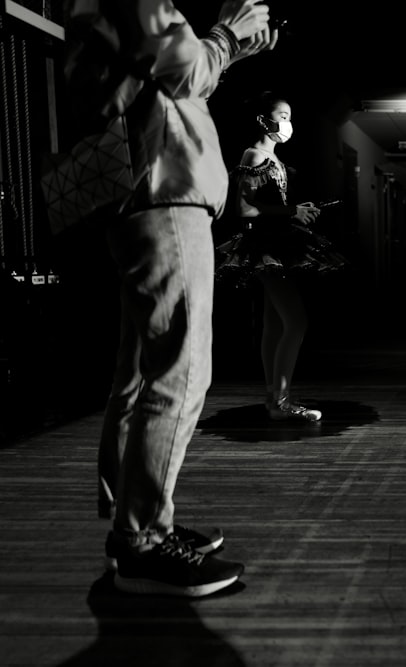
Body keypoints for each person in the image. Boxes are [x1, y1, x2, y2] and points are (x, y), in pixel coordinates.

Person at [77, 0, 279, 596]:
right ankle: (141, 538)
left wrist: (231, 46)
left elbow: (174, 79)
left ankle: (133, 520)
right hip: (166, 196)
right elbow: (187, 69)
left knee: (139, 371)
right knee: (182, 371)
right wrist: (227, 32)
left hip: (139, 196)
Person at [214, 91, 347, 422]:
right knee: (296, 321)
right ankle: (281, 400)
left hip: (277, 244)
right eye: (282, 116)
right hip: (265, 248)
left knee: (274, 324)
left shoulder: (273, 159)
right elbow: (243, 209)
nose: (287, 123)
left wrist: (297, 212)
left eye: (289, 116)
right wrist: (292, 212)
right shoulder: (254, 155)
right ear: (264, 120)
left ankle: (276, 399)